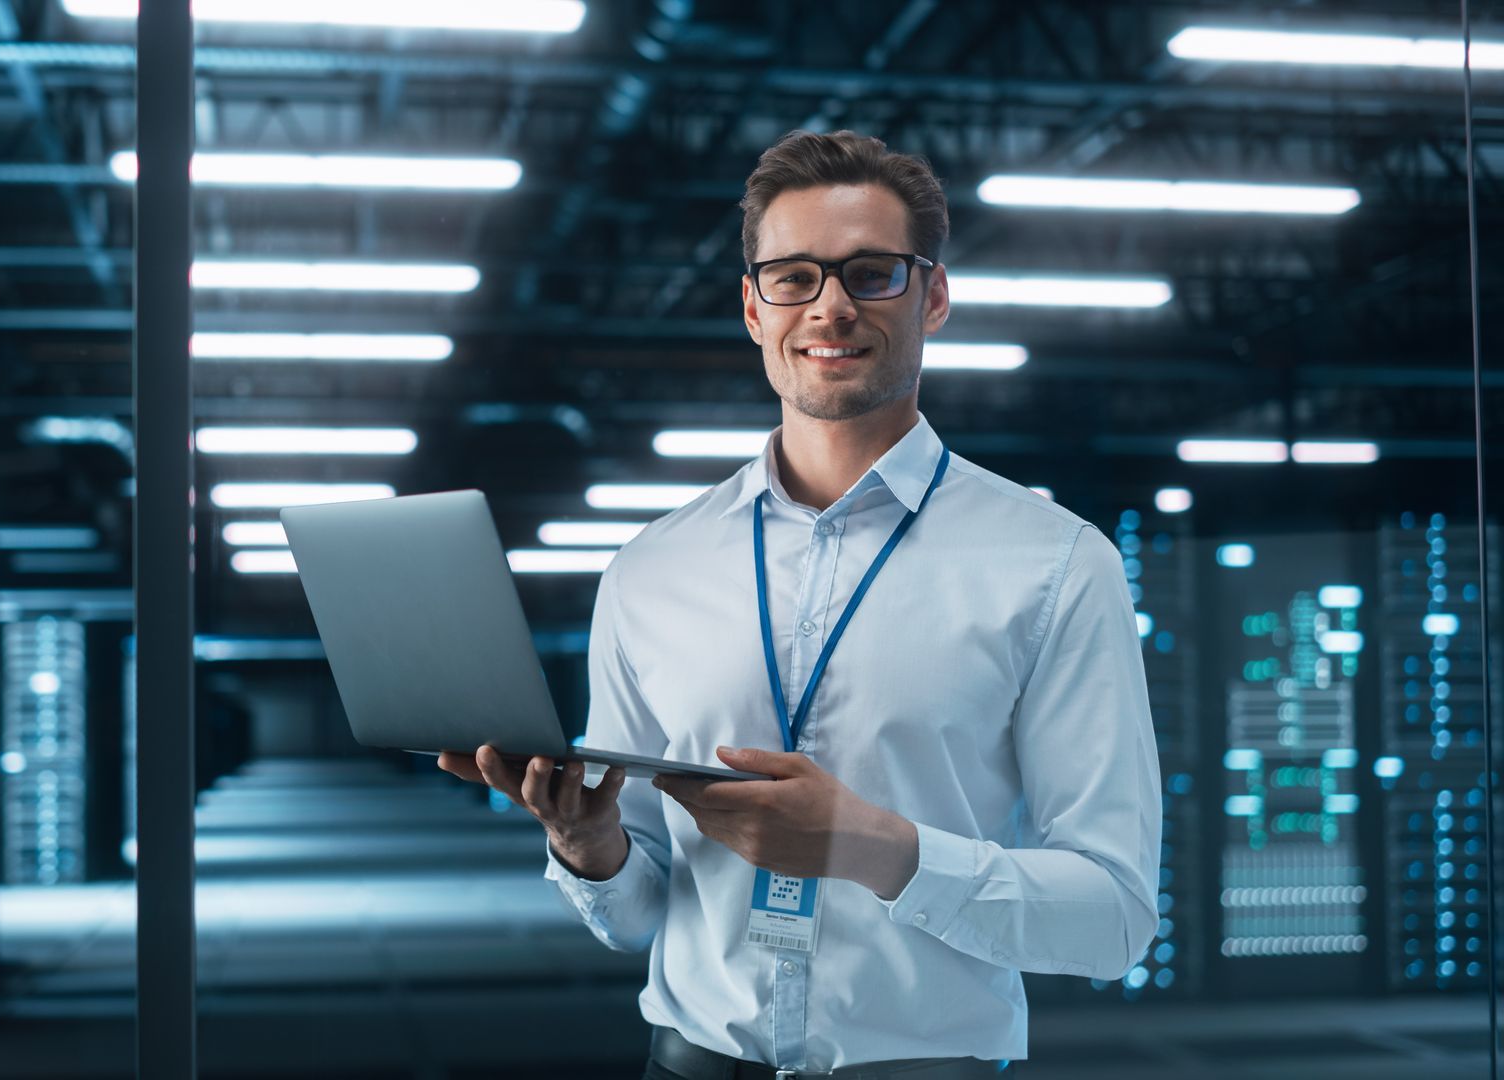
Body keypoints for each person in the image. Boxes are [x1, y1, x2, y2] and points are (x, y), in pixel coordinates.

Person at [438, 129, 1160, 1079]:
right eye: (793, 277)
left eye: (872, 273)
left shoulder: (1056, 565)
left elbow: (1113, 917)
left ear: (932, 296)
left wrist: (878, 850)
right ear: (752, 306)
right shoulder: (654, 567)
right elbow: (644, 912)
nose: (830, 306)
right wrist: (591, 845)